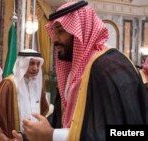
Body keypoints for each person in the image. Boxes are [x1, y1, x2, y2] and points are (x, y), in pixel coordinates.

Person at [22, 1, 148, 141]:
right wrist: (29, 136)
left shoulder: (108, 68)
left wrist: (51, 135)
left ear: (81, 30)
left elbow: (126, 133)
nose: (55, 39)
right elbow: (63, 119)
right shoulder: (74, 72)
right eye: (54, 32)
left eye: (60, 31)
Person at [0, 49, 49, 141]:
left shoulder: (38, 86)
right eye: (31, 63)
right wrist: (5, 139)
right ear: (22, 64)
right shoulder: (8, 84)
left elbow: (43, 112)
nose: (35, 68)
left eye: (38, 64)